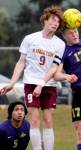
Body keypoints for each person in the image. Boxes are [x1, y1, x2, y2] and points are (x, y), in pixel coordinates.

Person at [0, 5, 65, 150]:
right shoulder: (30, 39)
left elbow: (54, 68)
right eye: (53, 20)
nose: (56, 23)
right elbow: (21, 62)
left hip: (48, 85)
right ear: (45, 20)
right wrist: (12, 83)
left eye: (58, 22)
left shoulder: (60, 44)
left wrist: (41, 84)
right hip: (30, 84)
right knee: (34, 120)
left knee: (48, 120)